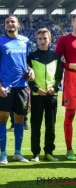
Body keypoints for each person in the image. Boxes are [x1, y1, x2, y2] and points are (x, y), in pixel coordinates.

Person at [0, 14, 34, 164]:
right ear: (5, 25)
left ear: (18, 25)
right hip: (5, 87)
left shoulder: (25, 41)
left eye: (12, 22)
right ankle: (3, 153)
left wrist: (31, 70)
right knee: (3, 118)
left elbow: (28, 63)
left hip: (22, 87)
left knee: (20, 119)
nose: (10, 24)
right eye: (7, 22)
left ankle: (18, 152)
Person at [27, 28, 63, 162]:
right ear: (37, 40)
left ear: (50, 39)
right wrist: (36, 88)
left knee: (51, 125)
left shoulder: (55, 56)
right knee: (36, 124)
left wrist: (55, 88)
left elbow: (59, 76)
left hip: (51, 96)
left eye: (45, 38)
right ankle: (35, 153)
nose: (42, 41)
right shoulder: (31, 56)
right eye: (40, 38)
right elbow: (28, 77)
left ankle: (49, 152)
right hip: (37, 96)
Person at [55, 14, 76, 160]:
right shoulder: (64, 39)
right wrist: (68, 65)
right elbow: (55, 60)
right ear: (72, 22)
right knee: (70, 115)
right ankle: (69, 150)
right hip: (71, 79)